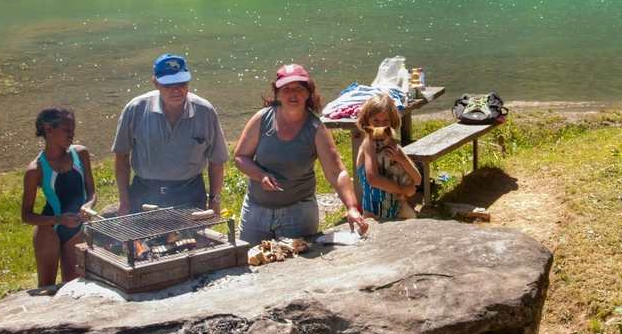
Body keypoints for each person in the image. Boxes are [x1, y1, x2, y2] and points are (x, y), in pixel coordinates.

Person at [233, 63, 368, 243]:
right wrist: (261, 175)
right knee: (252, 257)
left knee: (298, 259)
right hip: (255, 211)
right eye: (286, 89)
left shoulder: (316, 128)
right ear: (277, 93)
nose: (292, 94)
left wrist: (351, 207)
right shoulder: (262, 119)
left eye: (298, 88)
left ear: (308, 93)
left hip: (298, 213)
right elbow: (241, 156)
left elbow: (336, 172)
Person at [113, 54, 228, 215]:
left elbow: (216, 161)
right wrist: (124, 201)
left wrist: (214, 202)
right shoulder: (135, 109)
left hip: (190, 192)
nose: (176, 90)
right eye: (168, 84)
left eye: (182, 83)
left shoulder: (205, 111)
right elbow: (122, 155)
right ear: (155, 83)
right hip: (145, 191)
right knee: (142, 233)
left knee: (193, 233)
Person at [21, 106, 96, 288]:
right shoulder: (35, 170)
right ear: (49, 130)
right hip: (49, 230)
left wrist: (88, 206)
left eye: (73, 130)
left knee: (73, 288)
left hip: (76, 228)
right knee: (46, 287)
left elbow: (91, 192)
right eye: (66, 130)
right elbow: (26, 215)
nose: (72, 135)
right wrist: (58, 220)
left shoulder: (81, 154)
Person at [355, 93, 421, 219]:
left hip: (397, 213)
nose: (381, 125)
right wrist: (404, 190)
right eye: (376, 120)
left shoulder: (393, 144)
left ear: (392, 122)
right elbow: (373, 179)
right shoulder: (370, 142)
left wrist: (402, 159)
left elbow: (417, 179)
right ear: (367, 121)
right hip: (375, 215)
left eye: (386, 120)